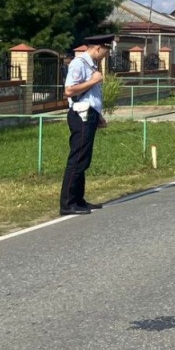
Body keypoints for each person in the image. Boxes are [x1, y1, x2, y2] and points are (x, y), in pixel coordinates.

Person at [60, 33, 114, 216]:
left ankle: (79, 200)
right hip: (80, 115)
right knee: (77, 158)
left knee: (84, 159)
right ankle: (67, 203)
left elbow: (91, 96)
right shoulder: (79, 64)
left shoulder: (91, 65)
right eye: (106, 50)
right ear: (98, 48)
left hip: (89, 114)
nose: (106, 55)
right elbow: (69, 90)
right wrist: (93, 81)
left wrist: (98, 115)